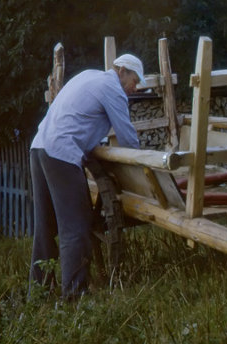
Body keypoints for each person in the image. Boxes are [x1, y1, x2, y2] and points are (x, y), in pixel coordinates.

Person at [28, 53, 144, 299]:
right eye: (134, 80)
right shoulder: (112, 88)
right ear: (121, 71)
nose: (136, 87)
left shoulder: (89, 76)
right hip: (60, 152)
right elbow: (127, 138)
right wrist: (145, 166)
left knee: (45, 226)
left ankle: (38, 293)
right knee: (76, 226)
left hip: (39, 147)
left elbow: (81, 122)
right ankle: (74, 295)